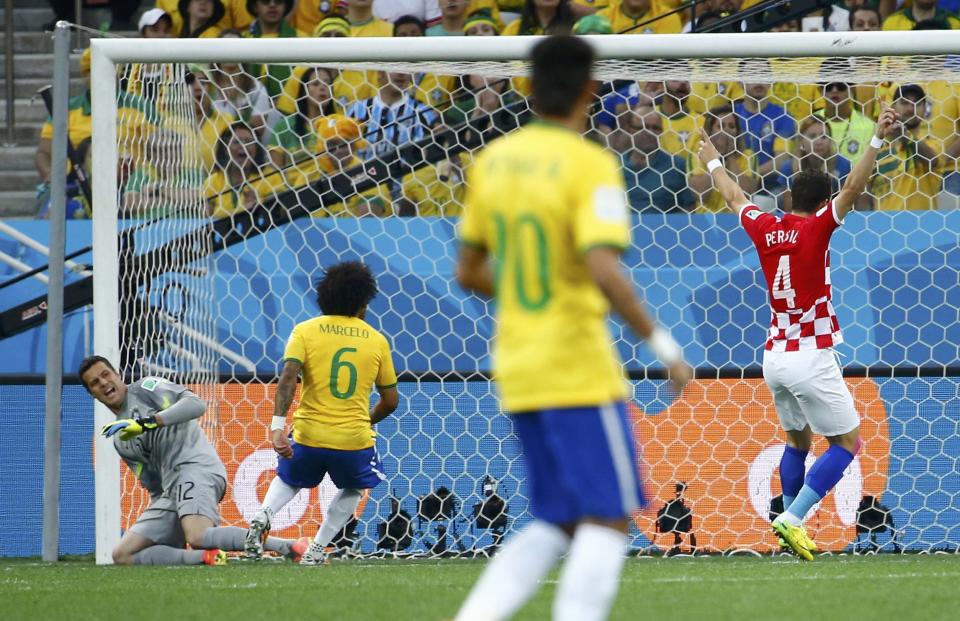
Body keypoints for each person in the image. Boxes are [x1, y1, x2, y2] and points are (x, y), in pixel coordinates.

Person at [454, 35, 691, 621]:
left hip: (517, 364)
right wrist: (663, 346)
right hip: (577, 366)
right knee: (609, 516)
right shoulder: (590, 164)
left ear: (528, 89)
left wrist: (528, 298)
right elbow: (603, 266)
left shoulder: (491, 161)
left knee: (558, 518)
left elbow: (468, 272)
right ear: (591, 89)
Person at [695, 103, 897, 561]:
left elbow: (731, 196)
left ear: (788, 201)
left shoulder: (766, 227)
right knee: (847, 443)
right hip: (810, 354)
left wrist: (711, 159)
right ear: (824, 204)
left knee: (797, 441)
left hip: (773, 357)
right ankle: (793, 517)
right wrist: (878, 138)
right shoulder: (819, 229)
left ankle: (786, 529)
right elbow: (854, 186)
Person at [244, 261, 399, 565]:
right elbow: (391, 400)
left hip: (308, 434)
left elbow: (288, 377)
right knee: (355, 486)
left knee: (290, 477)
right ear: (363, 301)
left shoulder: (305, 331)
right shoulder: (377, 341)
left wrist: (277, 427)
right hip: (353, 440)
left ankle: (264, 514)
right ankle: (317, 548)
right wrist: (364, 420)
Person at [80, 355, 303, 565]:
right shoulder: (120, 439)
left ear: (117, 374)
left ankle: (288, 546)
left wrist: (149, 422)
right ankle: (207, 558)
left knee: (197, 535)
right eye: (95, 382)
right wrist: (165, 524)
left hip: (196, 468)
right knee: (123, 554)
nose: (103, 383)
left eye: (106, 374)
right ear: (92, 394)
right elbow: (152, 484)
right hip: (169, 491)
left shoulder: (147, 388)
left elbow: (196, 405)